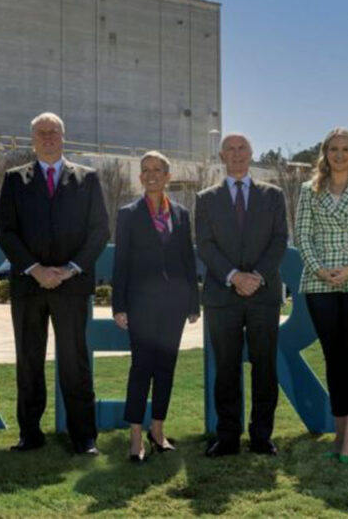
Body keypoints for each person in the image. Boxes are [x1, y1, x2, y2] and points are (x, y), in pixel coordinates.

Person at [0, 112, 110, 456]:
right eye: (41, 132)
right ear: (32, 139)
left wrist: (70, 269)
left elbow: (99, 231)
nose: (47, 137)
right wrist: (35, 269)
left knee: (75, 362)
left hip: (72, 286)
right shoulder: (14, 180)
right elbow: (6, 232)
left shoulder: (87, 179)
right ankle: (30, 434)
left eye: (53, 132)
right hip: (29, 286)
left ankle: (84, 437)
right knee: (29, 360)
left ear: (64, 137)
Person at [196, 133, 288, 457]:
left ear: (251, 154)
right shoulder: (205, 198)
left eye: (242, 149)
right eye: (230, 149)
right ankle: (228, 437)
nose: (236, 154)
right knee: (226, 368)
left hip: (263, 296)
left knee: (265, 368)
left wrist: (256, 277)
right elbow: (204, 244)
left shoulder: (273, 195)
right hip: (223, 297)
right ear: (222, 156)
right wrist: (234, 277)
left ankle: (262, 437)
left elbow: (279, 240)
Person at [294, 128, 348, 463]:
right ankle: (339, 428)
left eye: (346, 149)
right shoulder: (308, 190)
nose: (340, 154)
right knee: (333, 357)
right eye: (334, 149)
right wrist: (319, 270)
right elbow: (302, 234)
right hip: (319, 284)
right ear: (325, 153)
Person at [112, 151, 200, 463]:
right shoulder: (128, 214)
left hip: (175, 304)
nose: (151, 175)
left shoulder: (180, 213)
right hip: (140, 303)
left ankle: (158, 431)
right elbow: (120, 261)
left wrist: (193, 301)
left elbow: (188, 260)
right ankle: (135, 436)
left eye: (157, 170)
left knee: (166, 367)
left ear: (167, 176)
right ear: (140, 177)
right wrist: (118, 305)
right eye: (145, 170)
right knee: (141, 368)